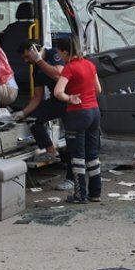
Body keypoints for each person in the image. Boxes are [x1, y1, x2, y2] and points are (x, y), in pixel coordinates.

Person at [13, 40, 73, 191]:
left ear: (35, 50)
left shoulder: (54, 54)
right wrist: (22, 113)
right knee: (33, 119)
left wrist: (39, 60)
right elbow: (37, 97)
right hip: (56, 101)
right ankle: (51, 151)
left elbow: (58, 74)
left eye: (28, 57)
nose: (27, 61)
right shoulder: (36, 68)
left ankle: (72, 178)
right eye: (25, 59)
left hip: (70, 100)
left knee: (72, 140)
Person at [53, 37, 103, 204]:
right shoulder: (90, 64)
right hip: (94, 112)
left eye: (59, 53)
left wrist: (69, 98)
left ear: (65, 52)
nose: (59, 56)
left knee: (77, 156)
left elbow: (58, 92)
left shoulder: (70, 68)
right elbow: (98, 89)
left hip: (78, 113)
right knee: (92, 154)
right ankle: (95, 193)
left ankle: (80, 195)